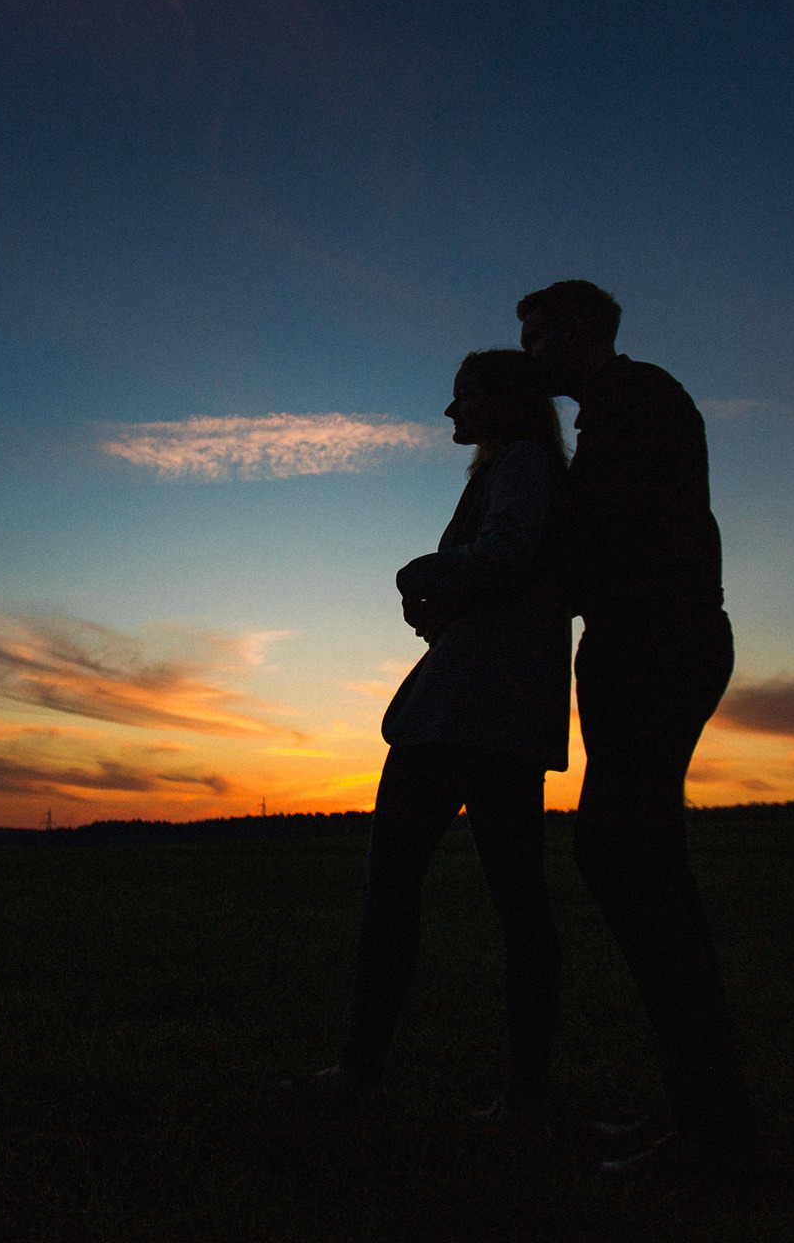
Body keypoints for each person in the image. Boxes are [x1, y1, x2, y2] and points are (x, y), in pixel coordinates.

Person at [283, 349, 572, 1132]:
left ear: (502, 404)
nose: (452, 414)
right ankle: (519, 1098)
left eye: (464, 399)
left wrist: (420, 572)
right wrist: (441, 605)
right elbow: (505, 583)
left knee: (399, 892)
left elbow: (503, 557)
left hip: (464, 715)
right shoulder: (518, 467)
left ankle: (361, 1074)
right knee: (513, 906)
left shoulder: (520, 465)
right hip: (498, 713)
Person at [517, 279, 756, 1177]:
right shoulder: (623, 407)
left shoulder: (637, 401)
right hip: (649, 643)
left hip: (658, 644)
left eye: (540, 339)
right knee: (633, 864)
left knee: (629, 863)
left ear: (579, 332)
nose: (532, 358)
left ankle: (713, 1135)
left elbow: (603, 538)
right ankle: (698, 1113)